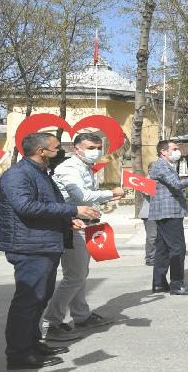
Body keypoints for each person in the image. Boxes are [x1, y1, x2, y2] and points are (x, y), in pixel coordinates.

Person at [0, 132, 100, 370]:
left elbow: (48, 203)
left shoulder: (40, 172)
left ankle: (33, 343)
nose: (60, 152)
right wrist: (73, 210)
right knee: (28, 301)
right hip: (29, 246)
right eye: (56, 148)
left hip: (44, 243)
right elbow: (26, 206)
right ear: (41, 152)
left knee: (39, 298)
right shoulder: (17, 175)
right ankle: (19, 355)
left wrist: (68, 220)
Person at [42, 133, 124, 341]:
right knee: (75, 276)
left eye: (98, 146)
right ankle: (52, 323)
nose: (95, 151)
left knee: (79, 273)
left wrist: (99, 207)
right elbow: (81, 196)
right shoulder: (70, 168)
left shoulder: (85, 167)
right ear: (77, 149)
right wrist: (111, 193)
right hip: (71, 225)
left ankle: (82, 316)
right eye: (90, 147)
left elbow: (86, 197)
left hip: (83, 224)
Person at [149, 140, 188, 295]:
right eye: (174, 149)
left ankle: (159, 283)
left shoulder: (166, 165)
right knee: (178, 248)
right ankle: (177, 284)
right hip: (168, 212)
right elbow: (176, 184)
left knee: (163, 249)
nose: (178, 151)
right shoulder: (160, 165)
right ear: (163, 151)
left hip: (167, 212)